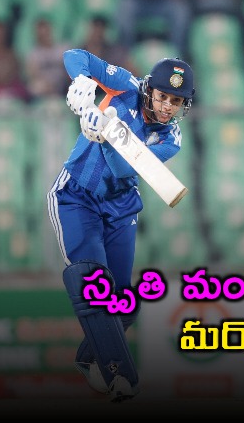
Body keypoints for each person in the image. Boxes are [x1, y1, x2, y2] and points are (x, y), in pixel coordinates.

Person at [46, 48, 194, 401]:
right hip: (76, 197)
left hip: (121, 208)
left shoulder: (169, 139)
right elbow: (75, 55)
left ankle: (89, 358)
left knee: (124, 303)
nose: (167, 107)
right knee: (92, 281)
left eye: (176, 101)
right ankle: (121, 377)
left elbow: (125, 169)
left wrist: (105, 133)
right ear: (149, 89)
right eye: (163, 96)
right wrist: (82, 81)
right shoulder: (125, 85)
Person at [25, 17, 72, 100]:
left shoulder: (63, 48)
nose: (44, 36)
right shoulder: (34, 54)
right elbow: (33, 75)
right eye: (41, 34)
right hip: (45, 87)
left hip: (63, 84)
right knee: (35, 86)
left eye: (46, 32)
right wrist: (49, 85)